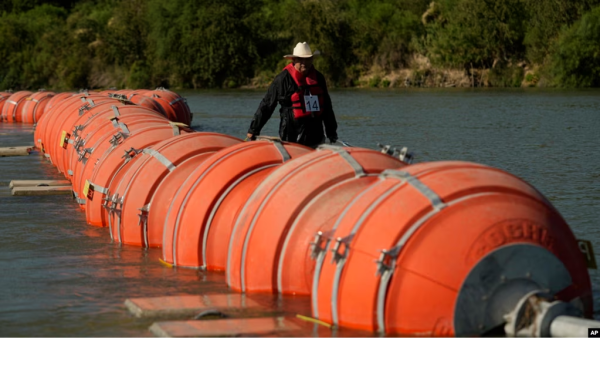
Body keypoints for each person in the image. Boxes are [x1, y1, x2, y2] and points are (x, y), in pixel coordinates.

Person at [246, 42, 338, 148]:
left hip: (315, 134)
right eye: (300, 59)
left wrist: (331, 132)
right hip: (291, 134)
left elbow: (327, 106)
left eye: (307, 59)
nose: (304, 62)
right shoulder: (282, 79)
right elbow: (267, 105)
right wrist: (254, 129)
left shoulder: (318, 78)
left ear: (312, 60)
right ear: (294, 60)